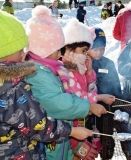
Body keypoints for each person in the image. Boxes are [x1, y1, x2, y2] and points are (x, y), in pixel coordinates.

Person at [0, 10, 93, 160]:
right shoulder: (11, 89)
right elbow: (38, 124)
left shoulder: (14, 81)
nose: (24, 54)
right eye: (20, 50)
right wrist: (72, 131)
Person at [24, 6, 107, 160]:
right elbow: (58, 104)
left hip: (61, 143)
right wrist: (89, 107)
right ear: (45, 48)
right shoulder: (38, 73)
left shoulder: (49, 69)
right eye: (58, 49)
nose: (61, 54)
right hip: (49, 146)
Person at [62, 19, 115, 160]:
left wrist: (90, 71)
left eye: (87, 51)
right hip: (73, 132)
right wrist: (99, 98)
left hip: (85, 122)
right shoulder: (66, 72)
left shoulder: (81, 67)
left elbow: (91, 90)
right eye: (85, 51)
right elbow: (79, 98)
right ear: (69, 49)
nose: (87, 55)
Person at [87, 27, 122, 159]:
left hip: (106, 111)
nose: (100, 52)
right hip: (88, 111)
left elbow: (117, 89)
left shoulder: (108, 63)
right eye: (96, 48)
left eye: (103, 48)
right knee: (89, 143)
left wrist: (118, 107)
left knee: (107, 142)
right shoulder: (82, 63)